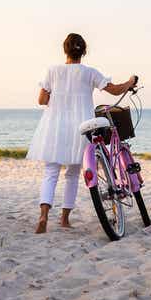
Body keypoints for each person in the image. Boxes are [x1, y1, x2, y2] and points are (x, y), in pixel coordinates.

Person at [27, 33, 137, 234]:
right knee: (72, 174)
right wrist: (130, 82)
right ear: (84, 51)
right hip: (81, 127)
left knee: (50, 172)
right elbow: (114, 90)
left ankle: (43, 216)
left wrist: (58, 97)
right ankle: (64, 219)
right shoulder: (89, 73)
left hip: (55, 126)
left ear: (65, 50)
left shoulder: (52, 71)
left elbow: (42, 100)